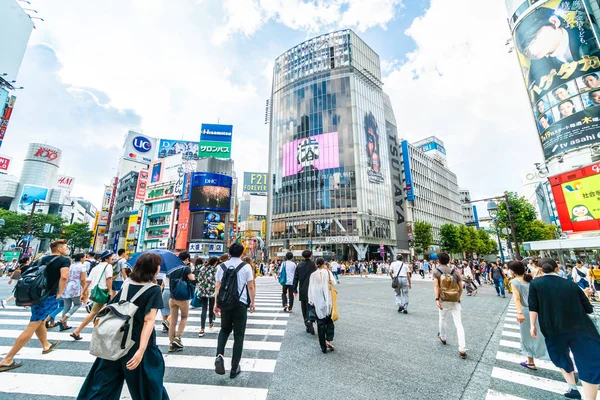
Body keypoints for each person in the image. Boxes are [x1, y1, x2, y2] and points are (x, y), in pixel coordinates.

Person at [76, 253, 169, 400]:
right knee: (148, 386)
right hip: (137, 341)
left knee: (103, 385)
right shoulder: (154, 289)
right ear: (153, 269)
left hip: (116, 340)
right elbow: (149, 320)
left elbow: (112, 307)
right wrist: (141, 350)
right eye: (157, 265)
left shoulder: (127, 284)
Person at [529, 259, 600, 400]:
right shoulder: (571, 284)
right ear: (557, 268)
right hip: (581, 328)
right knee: (587, 362)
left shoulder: (536, 284)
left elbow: (533, 306)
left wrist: (532, 325)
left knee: (560, 356)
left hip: (552, 328)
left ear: (541, 270)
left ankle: (573, 388)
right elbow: (588, 308)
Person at [0, 239, 70, 372]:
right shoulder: (64, 260)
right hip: (49, 295)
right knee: (34, 324)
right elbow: (64, 277)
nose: (66, 249)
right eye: (65, 247)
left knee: (40, 320)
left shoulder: (42, 259)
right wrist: (60, 293)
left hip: (36, 294)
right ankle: (7, 359)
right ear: (59, 249)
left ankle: (46, 345)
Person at [515, 6, 599, 92]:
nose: (532, 51)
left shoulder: (592, 36)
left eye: (534, 39)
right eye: (525, 51)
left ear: (554, 22)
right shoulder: (537, 75)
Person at [214, 243, 255, 379]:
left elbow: (217, 287)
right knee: (239, 335)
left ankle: (219, 355)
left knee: (224, 330)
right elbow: (250, 286)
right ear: (242, 253)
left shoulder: (221, 266)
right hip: (240, 304)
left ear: (229, 252)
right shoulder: (246, 266)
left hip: (225, 304)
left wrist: (216, 304)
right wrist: (253, 302)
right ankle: (234, 368)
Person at [508, 261, 547, 372]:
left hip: (526, 311)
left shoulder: (514, 282)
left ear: (513, 271)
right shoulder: (530, 279)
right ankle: (532, 361)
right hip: (538, 310)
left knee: (527, 336)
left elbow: (517, 299)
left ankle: (531, 361)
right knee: (540, 334)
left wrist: (519, 313)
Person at [70, 251, 114, 341]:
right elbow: (109, 279)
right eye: (111, 257)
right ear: (106, 258)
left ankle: (79, 331)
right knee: (95, 313)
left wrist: (83, 293)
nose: (112, 259)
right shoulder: (108, 266)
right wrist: (110, 291)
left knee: (98, 312)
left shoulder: (96, 267)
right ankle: (77, 331)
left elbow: (88, 281)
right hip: (103, 291)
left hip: (95, 291)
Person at [433, 252, 467, 359]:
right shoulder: (455, 272)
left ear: (438, 261)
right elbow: (461, 288)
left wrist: (437, 299)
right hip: (455, 300)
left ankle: (443, 337)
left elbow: (436, 287)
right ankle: (462, 348)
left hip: (443, 299)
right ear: (449, 260)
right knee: (459, 324)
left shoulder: (436, 271)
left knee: (442, 319)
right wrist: (458, 297)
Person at [167, 251, 197, 352]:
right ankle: (177, 338)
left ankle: (171, 344)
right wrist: (192, 273)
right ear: (187, 259)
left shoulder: (172, 268)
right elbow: (192, 279)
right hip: (183, 298)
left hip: (172, 298)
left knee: (173, 322)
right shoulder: (186, 268)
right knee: (184, 317)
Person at [308, 257, 336, 354]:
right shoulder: (328, 273)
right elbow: (334, 282)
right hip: (328, 300)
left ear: (316, 264)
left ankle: (323, 347)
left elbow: (310, 288)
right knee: (329, 321)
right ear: (324, 263)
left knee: (320, 324)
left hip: (318, 301)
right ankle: (328, 339)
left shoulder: (312, 275)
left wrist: (311, 300)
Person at [57, 252, 87, 331]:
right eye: (84, 257)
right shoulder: (82, 266)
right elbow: (83, 279)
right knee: (77, 304)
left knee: (66, 306)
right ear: (81, 258)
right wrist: (85, 290)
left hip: (67, 286)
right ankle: (63, 320)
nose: (85, 259)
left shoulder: (71, 265)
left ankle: (64, 324)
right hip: (76, 287)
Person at [293, 249, 317, 335]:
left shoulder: (299, 265)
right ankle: (311, 320)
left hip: (303, 289)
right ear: (310, 255)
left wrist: (294, 289)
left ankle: (307, 322)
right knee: (311, 306)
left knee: (304, 307)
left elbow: (295, 278)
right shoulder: (313, 265)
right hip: (313, 288)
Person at [196, 256, 218, 337]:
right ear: (215, 262)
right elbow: (218, 281)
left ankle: (202, 328)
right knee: (211, 308)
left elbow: (199, 279)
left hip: (202, 291)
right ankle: (210, 323)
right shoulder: (215, 270)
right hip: (212, 291)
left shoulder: (202, 268)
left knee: (204, 309)